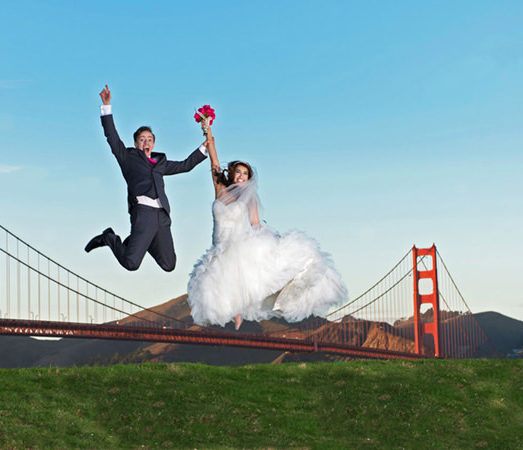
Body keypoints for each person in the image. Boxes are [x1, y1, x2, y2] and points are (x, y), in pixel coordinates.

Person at [187, 118, 348, 330]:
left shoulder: (249, 197)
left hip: (238, 245)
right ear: (232, 173)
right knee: (213, 287)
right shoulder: (220, 190)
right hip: (219, 246)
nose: (242, 176)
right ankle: (231, 317)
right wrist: (207, 130)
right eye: (239, 172)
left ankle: (244, 313)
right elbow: (214, 163)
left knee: (247, 280)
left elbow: (255, 223)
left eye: (246, 173)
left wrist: (274, 241)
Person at [85, 85, 208, 272]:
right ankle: (109, 238)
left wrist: (205, 148)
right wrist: (106, 107)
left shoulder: (161, 162)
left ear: (154, 143)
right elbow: (112, 137)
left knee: (169, 265)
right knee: (131, 263)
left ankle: (143, 241)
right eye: (142, 139)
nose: (146, 142)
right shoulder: (127, 157)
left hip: (162, 216)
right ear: (136, 143)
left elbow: (186, 165)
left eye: (149, 139)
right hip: (143, 214)